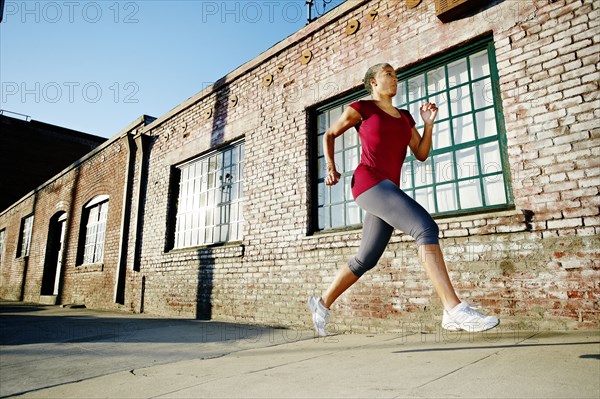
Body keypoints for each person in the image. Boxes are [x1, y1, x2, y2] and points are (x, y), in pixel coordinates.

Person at [308, 63, 499, 336]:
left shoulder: (404, 117)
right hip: (369, 183)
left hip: (387, 188)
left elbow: (421, 152)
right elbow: (329, 134)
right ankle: (453, 310)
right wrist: (330, 167)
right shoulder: (362, 108)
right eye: (388, 74)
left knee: (366, 258)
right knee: (425, 228)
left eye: (396, 75)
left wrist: (428, 125)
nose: (394, 79)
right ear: (373, 81)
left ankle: (321, 303)